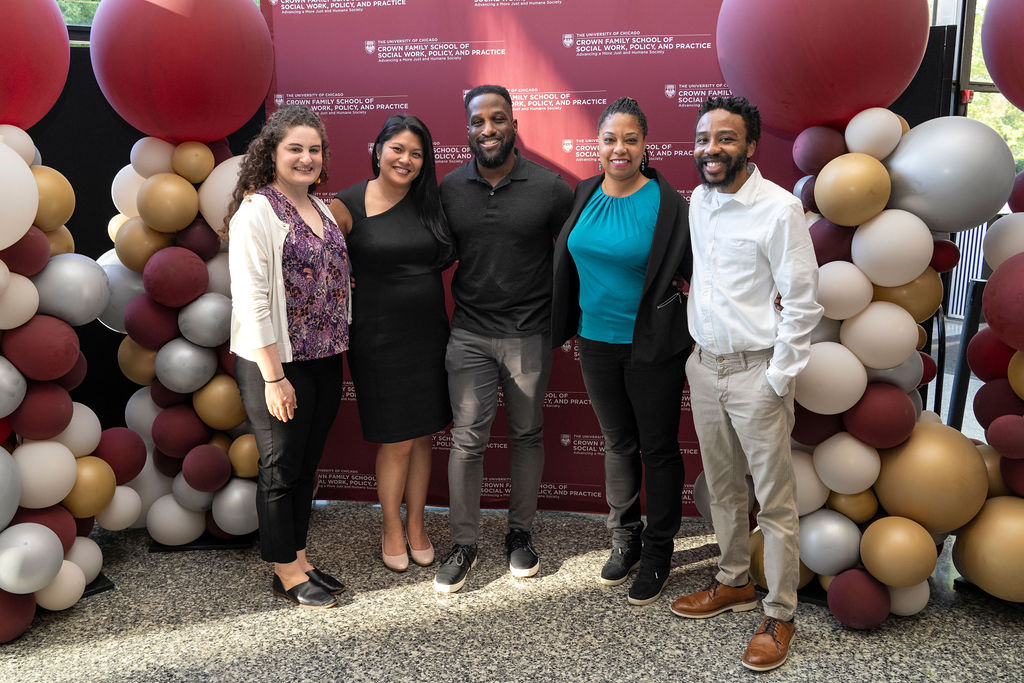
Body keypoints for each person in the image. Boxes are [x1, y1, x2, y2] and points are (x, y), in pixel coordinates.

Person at [668, 96, 822, 671]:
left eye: (727, 138)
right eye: (705, 137)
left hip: (757, 371)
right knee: (725, 489)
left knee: (775, 505)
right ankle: (733, 582)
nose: (712, 148)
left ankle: (780, 614)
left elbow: (804, 303)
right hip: (704, 367)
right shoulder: (699, 203)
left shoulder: (779, 210)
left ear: (751, 146)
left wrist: (778, 378)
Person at [551, 97, 692, 606]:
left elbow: (695, 271)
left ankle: (658, 552)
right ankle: (625, 538)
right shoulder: (584, 191)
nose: (620, 148)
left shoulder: (668, 202)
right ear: (598, 143)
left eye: (630, 139)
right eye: (611, 138)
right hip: (595, 343)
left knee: (657, 448)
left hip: (652, 347)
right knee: (617, 443)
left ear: (645, 144)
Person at [433, 85, 573, 593]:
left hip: (528, 336)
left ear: (514, 125)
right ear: (467, 129)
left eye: (497, 119)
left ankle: (519, 534)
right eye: (477, 121)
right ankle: (463, 544)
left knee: (527, 435)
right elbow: (422, 249)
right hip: (468, 334)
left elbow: (580, 249)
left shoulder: (551, 188)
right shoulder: (448, 188)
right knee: (467, 440)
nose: (487, 129)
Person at [226, 105, 350, 609]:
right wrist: (274, 377)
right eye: (294, 148)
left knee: (306, 462)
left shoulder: (320, 209)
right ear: (272, 154)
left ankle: (299, 554)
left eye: (314, 149)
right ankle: (284, 569)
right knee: (279, 466)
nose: (305, 158)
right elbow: (252, 300)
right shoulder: (257, 211)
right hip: (275, 362)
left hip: (323, 356)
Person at [329, 114, 454, 572]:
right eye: (397, 148)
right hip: (378, 339)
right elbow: (315, 263)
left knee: (424, 436)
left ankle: (418, 524)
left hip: (429, 335)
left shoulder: (430, 204)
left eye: (416, 153)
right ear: (377, 150)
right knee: (397, 440)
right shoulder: (347, 204)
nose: (406, 159)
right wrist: (345, 283)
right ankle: (391, 527)